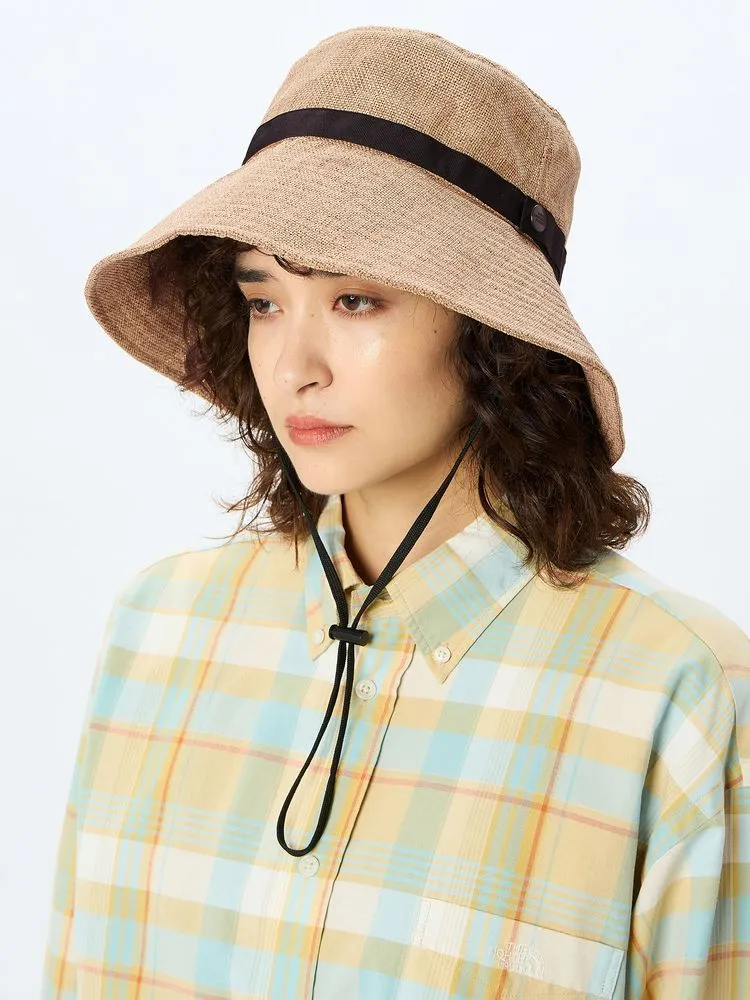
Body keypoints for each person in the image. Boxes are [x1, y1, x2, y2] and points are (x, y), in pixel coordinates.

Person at [41, 24, 749, 1000]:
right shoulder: (157, 632)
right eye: (264, 301)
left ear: (491, 334)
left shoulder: (676, 691)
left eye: (356, 301)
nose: (296, 367)